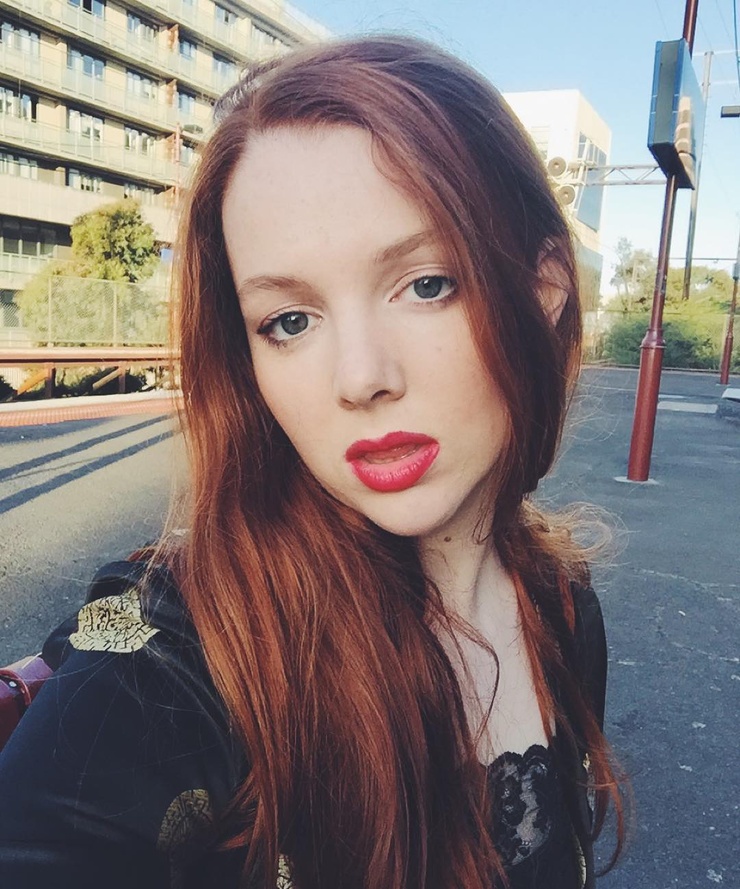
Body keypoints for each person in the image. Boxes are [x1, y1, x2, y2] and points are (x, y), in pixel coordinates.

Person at [0, 35, 625, 889]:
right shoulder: (189, 651)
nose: (360, 378)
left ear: (543, 286)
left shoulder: (562, 603)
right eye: (289, 321)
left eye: (427, 283)